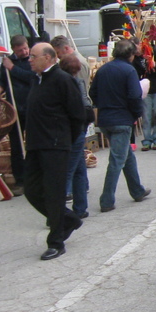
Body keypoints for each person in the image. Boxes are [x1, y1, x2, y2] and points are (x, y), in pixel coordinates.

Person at [23, 43, 85, 260]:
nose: (30, 60)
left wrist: (64, 139)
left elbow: (78, 115)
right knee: (31, 190)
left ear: (48, 58)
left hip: (55, 145)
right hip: (35, 144)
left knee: (54, 193)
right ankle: (69, 219)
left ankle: (56, 242)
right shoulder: (37, 79)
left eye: (34, 56)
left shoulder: (63, 80)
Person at [89, 38, 150, 212]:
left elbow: (92, 92)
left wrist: (104, 104)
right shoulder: (129, 70)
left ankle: (137, 190)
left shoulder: (103, 69)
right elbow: (135, 95)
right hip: (122, 119)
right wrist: (136, 114)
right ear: (130, 55)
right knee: (117, 159)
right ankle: (106, 200)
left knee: (125, 155)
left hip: (105, 119)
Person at [0, 34, 34, 195]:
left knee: (33, 143)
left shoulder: (32, 60)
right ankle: (20, 180)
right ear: (14, 49)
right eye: (20, 50)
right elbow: (4, 80)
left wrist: (13, 68)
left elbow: (32, 78)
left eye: (26, 48)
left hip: (31, 107)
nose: (25, 52)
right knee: (16, 145)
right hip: (14, 109)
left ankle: (35, 178)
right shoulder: (7, 62)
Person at [58, 52, 93, 220]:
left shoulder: (64, 83)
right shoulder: (77, 82)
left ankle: (58, 213)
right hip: (79, 128)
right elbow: (86, 104)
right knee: (77, 168)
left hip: (72, 130)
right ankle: (80, 208)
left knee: (68, 169)